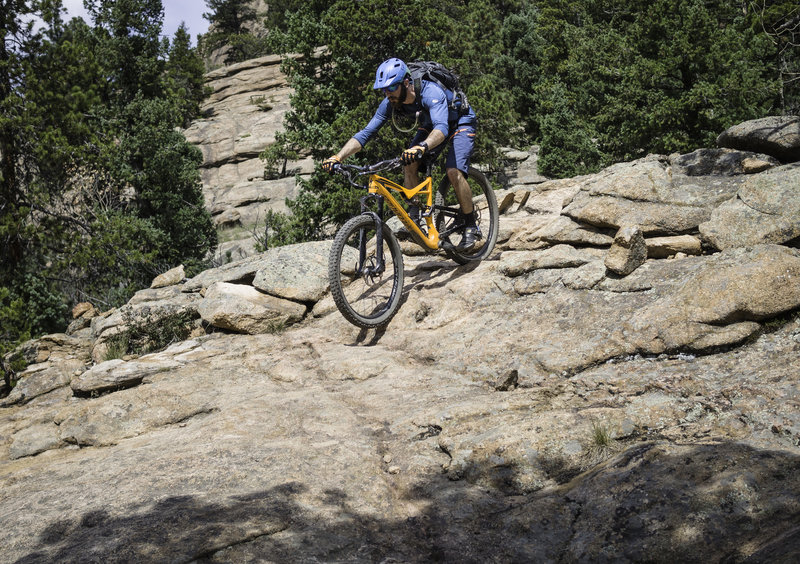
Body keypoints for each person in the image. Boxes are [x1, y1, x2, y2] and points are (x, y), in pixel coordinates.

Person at [322, 57, 480, 251]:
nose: (387, 93)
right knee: (408, 162)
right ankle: (415, 219)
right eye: (383, 90)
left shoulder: (431, 92)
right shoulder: (389, 102)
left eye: (391, 88)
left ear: (406, 82)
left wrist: (422, 147)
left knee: (453, 171)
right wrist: (337, 157)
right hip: (431, 125)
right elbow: (365, 134)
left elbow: (442, 129)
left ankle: (471, 224)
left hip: (460, 121)